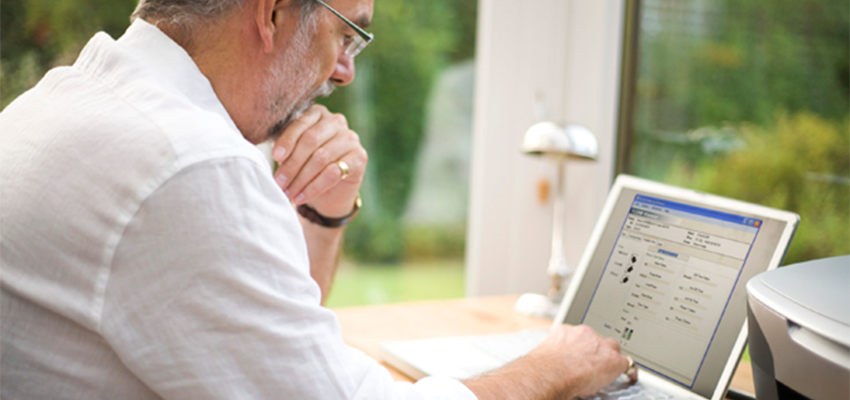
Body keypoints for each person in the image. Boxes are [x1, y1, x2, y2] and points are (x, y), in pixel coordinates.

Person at [0, 0, 636, 398]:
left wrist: (326, 208)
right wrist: (553, 366)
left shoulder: (81, 96)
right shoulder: (184, 164)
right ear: (272, 13)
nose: (345, 71)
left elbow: (272, 335)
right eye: (348, 34)